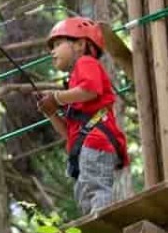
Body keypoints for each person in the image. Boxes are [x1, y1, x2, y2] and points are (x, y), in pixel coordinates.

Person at [36, 17, 129, 214]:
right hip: (84, 148)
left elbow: (90, 90)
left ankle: (102, 221)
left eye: (58, 44)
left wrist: (57, 98)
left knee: (95, 189)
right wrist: (52, 113)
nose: (52, 51)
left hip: (97, 142)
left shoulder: (86, 63)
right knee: (85, 195)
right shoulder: (73, 84)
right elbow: (69, 134)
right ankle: (94, 229)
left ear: (80, 44)